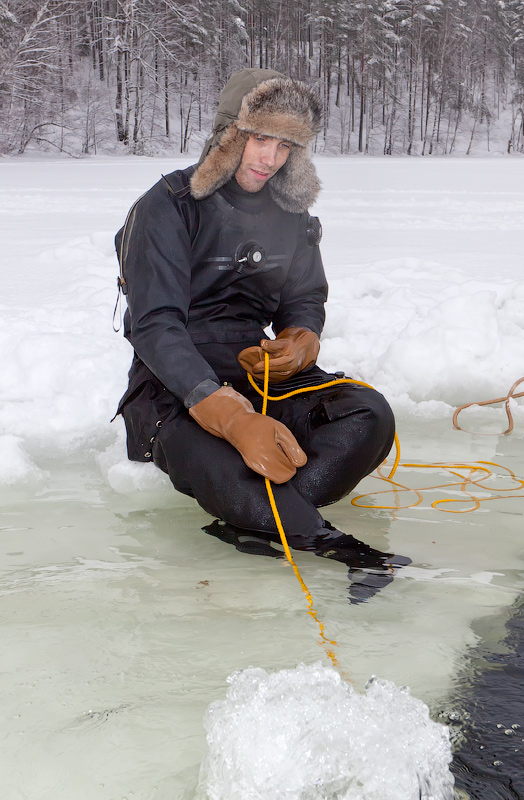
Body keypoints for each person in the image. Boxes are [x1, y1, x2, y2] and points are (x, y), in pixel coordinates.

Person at [114, 68, 409, 600]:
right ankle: (336, 547)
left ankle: (252, 516)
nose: (269, 158)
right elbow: (154, 325)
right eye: (259, 138)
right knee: (226, 463)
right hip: (171, 385)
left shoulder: (290, 215)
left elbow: (304, 298)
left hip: (257, 372)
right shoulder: (167, 205)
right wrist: (227, 414)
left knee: (370, 414)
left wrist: (300, 341)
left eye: (285, 145)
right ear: (230, 135)